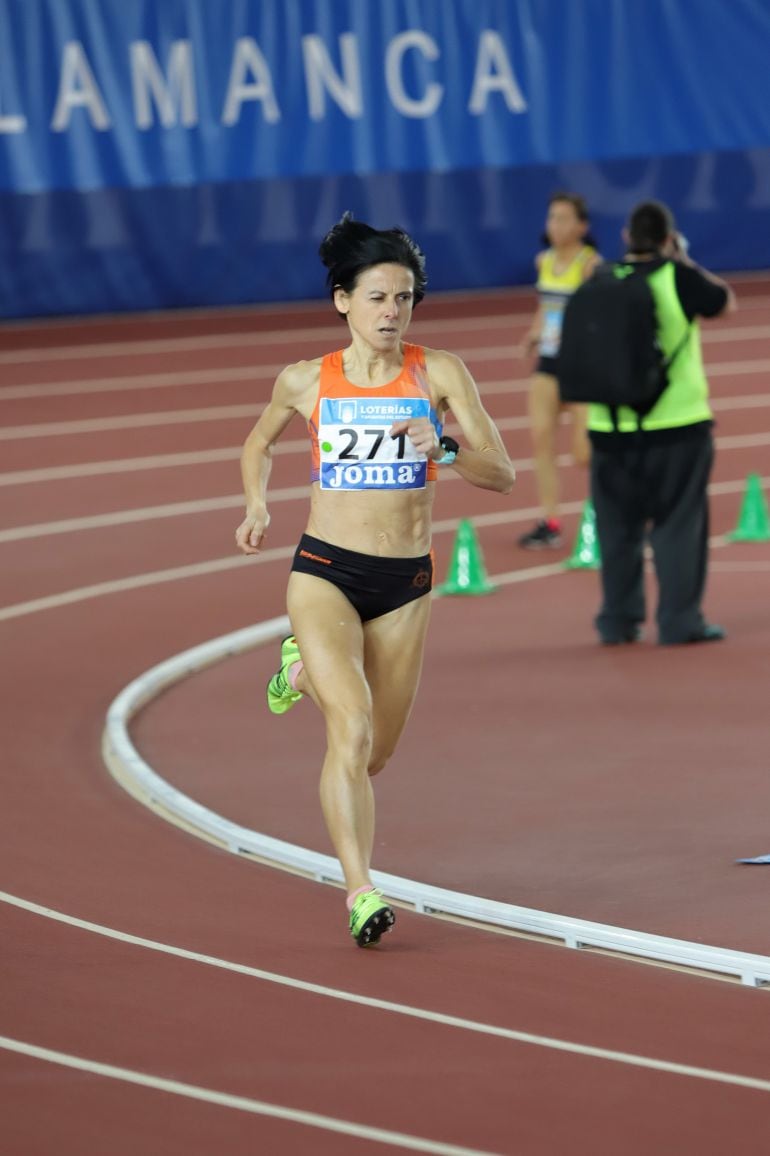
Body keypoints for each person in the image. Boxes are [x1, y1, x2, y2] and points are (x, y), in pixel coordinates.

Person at [235, 213, 515, 947]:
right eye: (378, 298)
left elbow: (504, 475)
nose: (392, 312)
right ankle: (361, 890)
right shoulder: (305, 380)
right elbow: (257, 443)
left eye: (405, 299)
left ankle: (295, 673)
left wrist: (446, 446)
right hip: (325, 570)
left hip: (406, 583)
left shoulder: (441, 373)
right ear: (342, 302)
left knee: (376, 755)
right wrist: (258, 500)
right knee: (350, 731)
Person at [587, 199, 736, 646]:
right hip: (677, 426)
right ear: (669, 239)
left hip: (609, 429)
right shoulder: (679, 276)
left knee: (617, 531)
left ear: (627, 238)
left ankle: (617, 621)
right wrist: (683, 259)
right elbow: (725, 302)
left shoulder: (599, 278)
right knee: (678, 526)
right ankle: (679, 621)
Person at [518, 192, 600, 548]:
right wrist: (534, 334)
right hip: (549, 364)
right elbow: (546, 307)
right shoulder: (544, 261)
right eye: (552, 218)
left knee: (584, 454)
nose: (556, 225)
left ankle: (615, 507)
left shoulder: (591, 265)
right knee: (540, 441)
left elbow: (601, 317)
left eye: (564, 219)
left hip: (583, 368)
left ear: (582, 226)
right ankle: (549, 521)